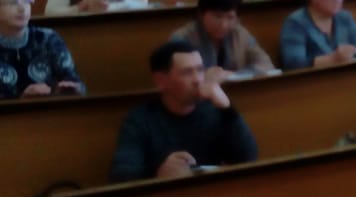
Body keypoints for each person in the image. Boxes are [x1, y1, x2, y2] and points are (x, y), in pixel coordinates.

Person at [109, 40, 258, 182]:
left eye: (200, 70)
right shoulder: (140, 120)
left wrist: (227, 108)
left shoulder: (216, 111)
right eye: (187, 72)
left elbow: (249, 158)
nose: (198, 80)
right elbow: (121, 177)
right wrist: (158, 175)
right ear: (161, 81)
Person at [171, 0, 275, 75]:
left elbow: (266, 65)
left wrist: (232, 76)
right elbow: (176, 76)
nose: (224, 24)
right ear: (201, 14)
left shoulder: (241, 34)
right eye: (218, 16)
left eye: (230, 17)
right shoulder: (182, 39)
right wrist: (205, 76)